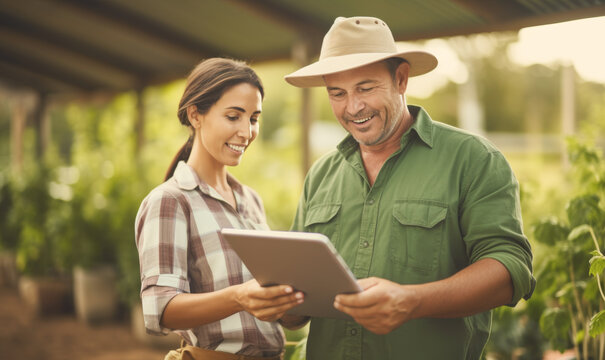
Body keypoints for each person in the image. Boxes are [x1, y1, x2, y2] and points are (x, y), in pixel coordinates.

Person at [283, 16, 536, 359]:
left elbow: (510, 268)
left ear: (400, 79)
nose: (353, 107)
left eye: (365, 88)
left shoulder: (473, 160)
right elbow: (300, 301)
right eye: (337, 93)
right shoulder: (321, 174)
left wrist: (412, 301)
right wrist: (281, 303)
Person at [135, 58, 304, 360]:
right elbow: (159, 310)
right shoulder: (171, 200)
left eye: (253, 118)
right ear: (195, 115)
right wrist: (239, 297)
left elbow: (260, 306)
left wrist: (288, 305)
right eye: (233, 116)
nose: (246, 131)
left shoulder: (250, 200)